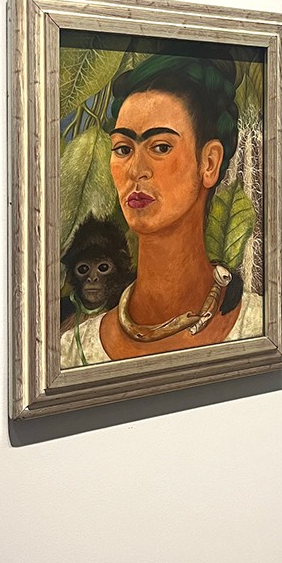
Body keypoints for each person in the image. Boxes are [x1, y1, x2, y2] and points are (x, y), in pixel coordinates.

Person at [61, 51, 262, 367]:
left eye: (161, 147)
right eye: (123, 149)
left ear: (209, 163)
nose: (135, 170)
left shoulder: (259, 325)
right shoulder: (72, 351)